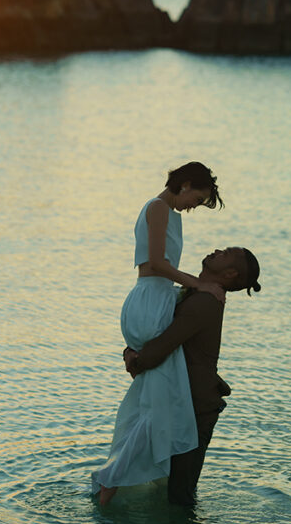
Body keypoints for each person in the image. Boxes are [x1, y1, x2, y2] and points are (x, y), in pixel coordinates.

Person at [92, 162, 224, 506]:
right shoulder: (158, 208)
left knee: (151, 402)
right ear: (184, 184)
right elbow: (156, 263)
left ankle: (125, 477)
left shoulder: (169, 213)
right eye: (197, 198)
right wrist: (202, 285)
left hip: (155, 298)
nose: (195, 206)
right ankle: (113, 478)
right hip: (150, 299)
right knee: (161, 405)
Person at [125, 246, 261, 506]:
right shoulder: (197, 295)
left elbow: (162, 346)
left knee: (180, 494)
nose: (217, 250)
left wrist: (134, 358)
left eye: (225, 253)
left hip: (195, 409)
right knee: (174, 490)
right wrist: (133, 352)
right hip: (183, 401)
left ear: (230, 273)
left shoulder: (205, 302)